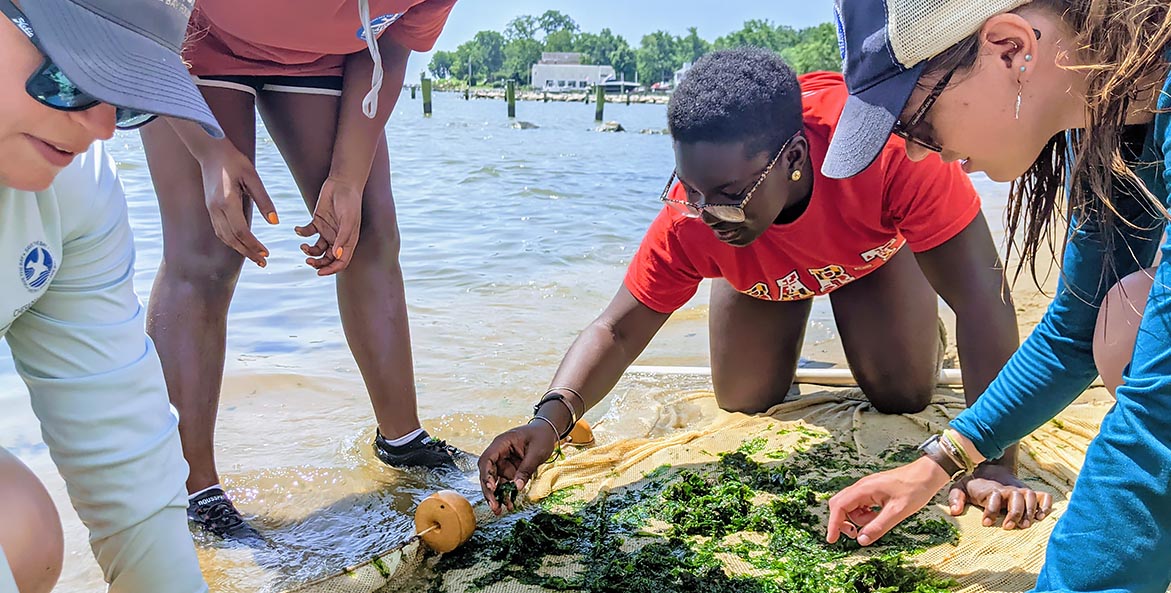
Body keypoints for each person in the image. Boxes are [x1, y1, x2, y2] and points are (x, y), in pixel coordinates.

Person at [478, 48, 1049, 523]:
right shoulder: (696, 216)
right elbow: (618, 329)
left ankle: (918, 335)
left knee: (904, 396)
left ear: (794, 158)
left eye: (726, 194)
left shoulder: (893, 151)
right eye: (691, 189)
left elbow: (982, 301)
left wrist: (995, 461)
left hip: (869, 256)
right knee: (744, 402)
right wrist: (547, 421)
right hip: (761, 272)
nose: (704, 213)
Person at [822, 1, 1171, 591]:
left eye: (916, 124)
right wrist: (936, 465)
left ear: (1010, 48)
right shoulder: (1112, 114)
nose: (909, 153)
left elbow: (1160, 407)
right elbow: (1072, 335)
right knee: (1115, 319)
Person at [138, 0, 461, 538]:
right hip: (189, 40)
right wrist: (209, 150)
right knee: (207, 254)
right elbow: (138, 25)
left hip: (326, 58)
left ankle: (402, 441)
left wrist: (349, 175)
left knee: (366, 232)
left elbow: (394, 40)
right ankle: (190, 487)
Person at [0, 0, 222, 590]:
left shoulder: (76, 187)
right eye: (72, 74)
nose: (101, 127)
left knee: (24, 531)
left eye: (125, 94)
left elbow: (121, 454)